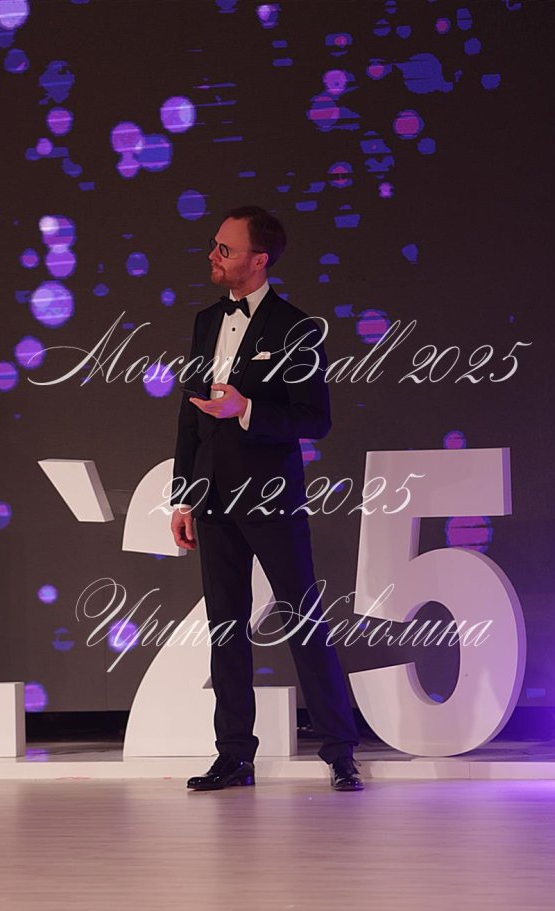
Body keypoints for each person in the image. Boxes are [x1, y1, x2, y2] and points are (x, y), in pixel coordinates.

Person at [169, 205, 363, 791]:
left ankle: (340, 750)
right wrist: (183, 496)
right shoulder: (206, 321)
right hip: (212, 498)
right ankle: (234, 755)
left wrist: (246, 408)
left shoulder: (295, 327)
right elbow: (189, 415)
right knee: (225, 630)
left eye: (224, 249)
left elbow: (315, 419)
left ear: (259, 260)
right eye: (214, 245)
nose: (213, 255)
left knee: (302, 619)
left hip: (270, 497)